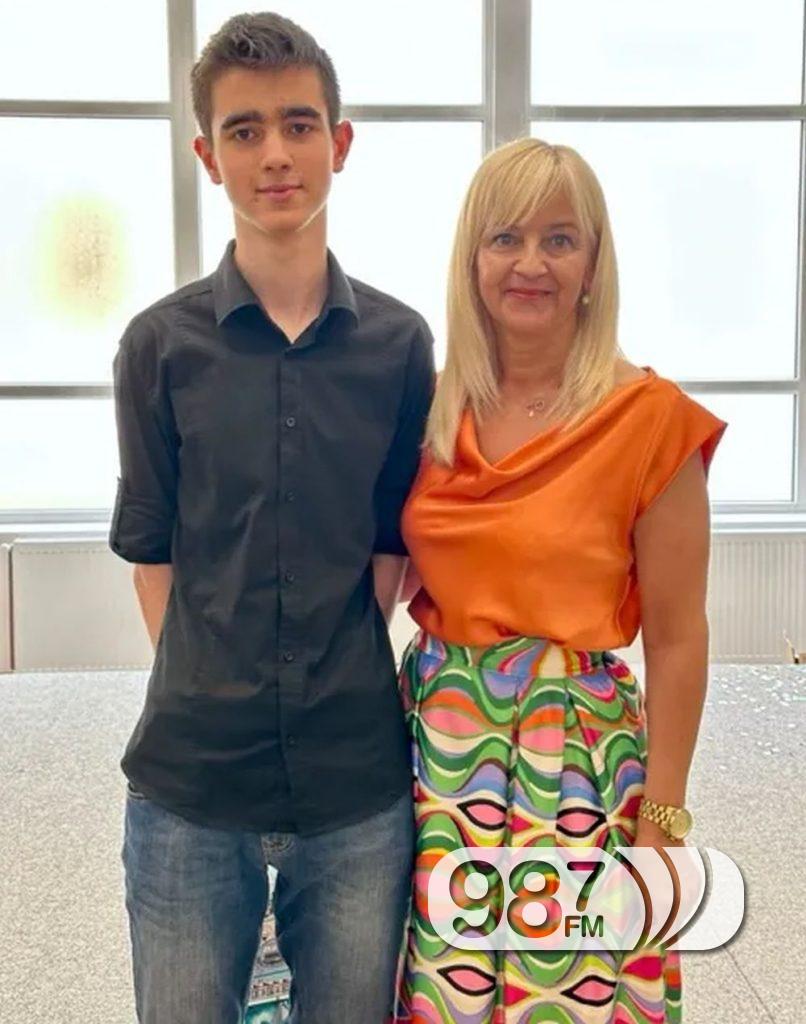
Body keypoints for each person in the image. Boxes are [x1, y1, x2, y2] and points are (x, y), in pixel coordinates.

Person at [109, 12, 434, 1024]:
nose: (276, 154)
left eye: (299, 124)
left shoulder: (399, 345)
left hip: (354, 784)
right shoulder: (158, 347)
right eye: (243, 131)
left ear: (340, 142)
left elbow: (388, 549)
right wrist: (222, 687)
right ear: (208, 157)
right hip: (191, 783)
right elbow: (154, 555)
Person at [393, 137, 727, 1024]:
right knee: (436, 988)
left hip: (573, 762)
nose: (530, 263)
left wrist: (664, 823)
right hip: (433, 757)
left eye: (559, 239)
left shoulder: (649, 420)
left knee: (565, 989)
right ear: (472, 260)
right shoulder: (429, 408)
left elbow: (680, 638)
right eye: (505, 238)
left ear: (593, 264)